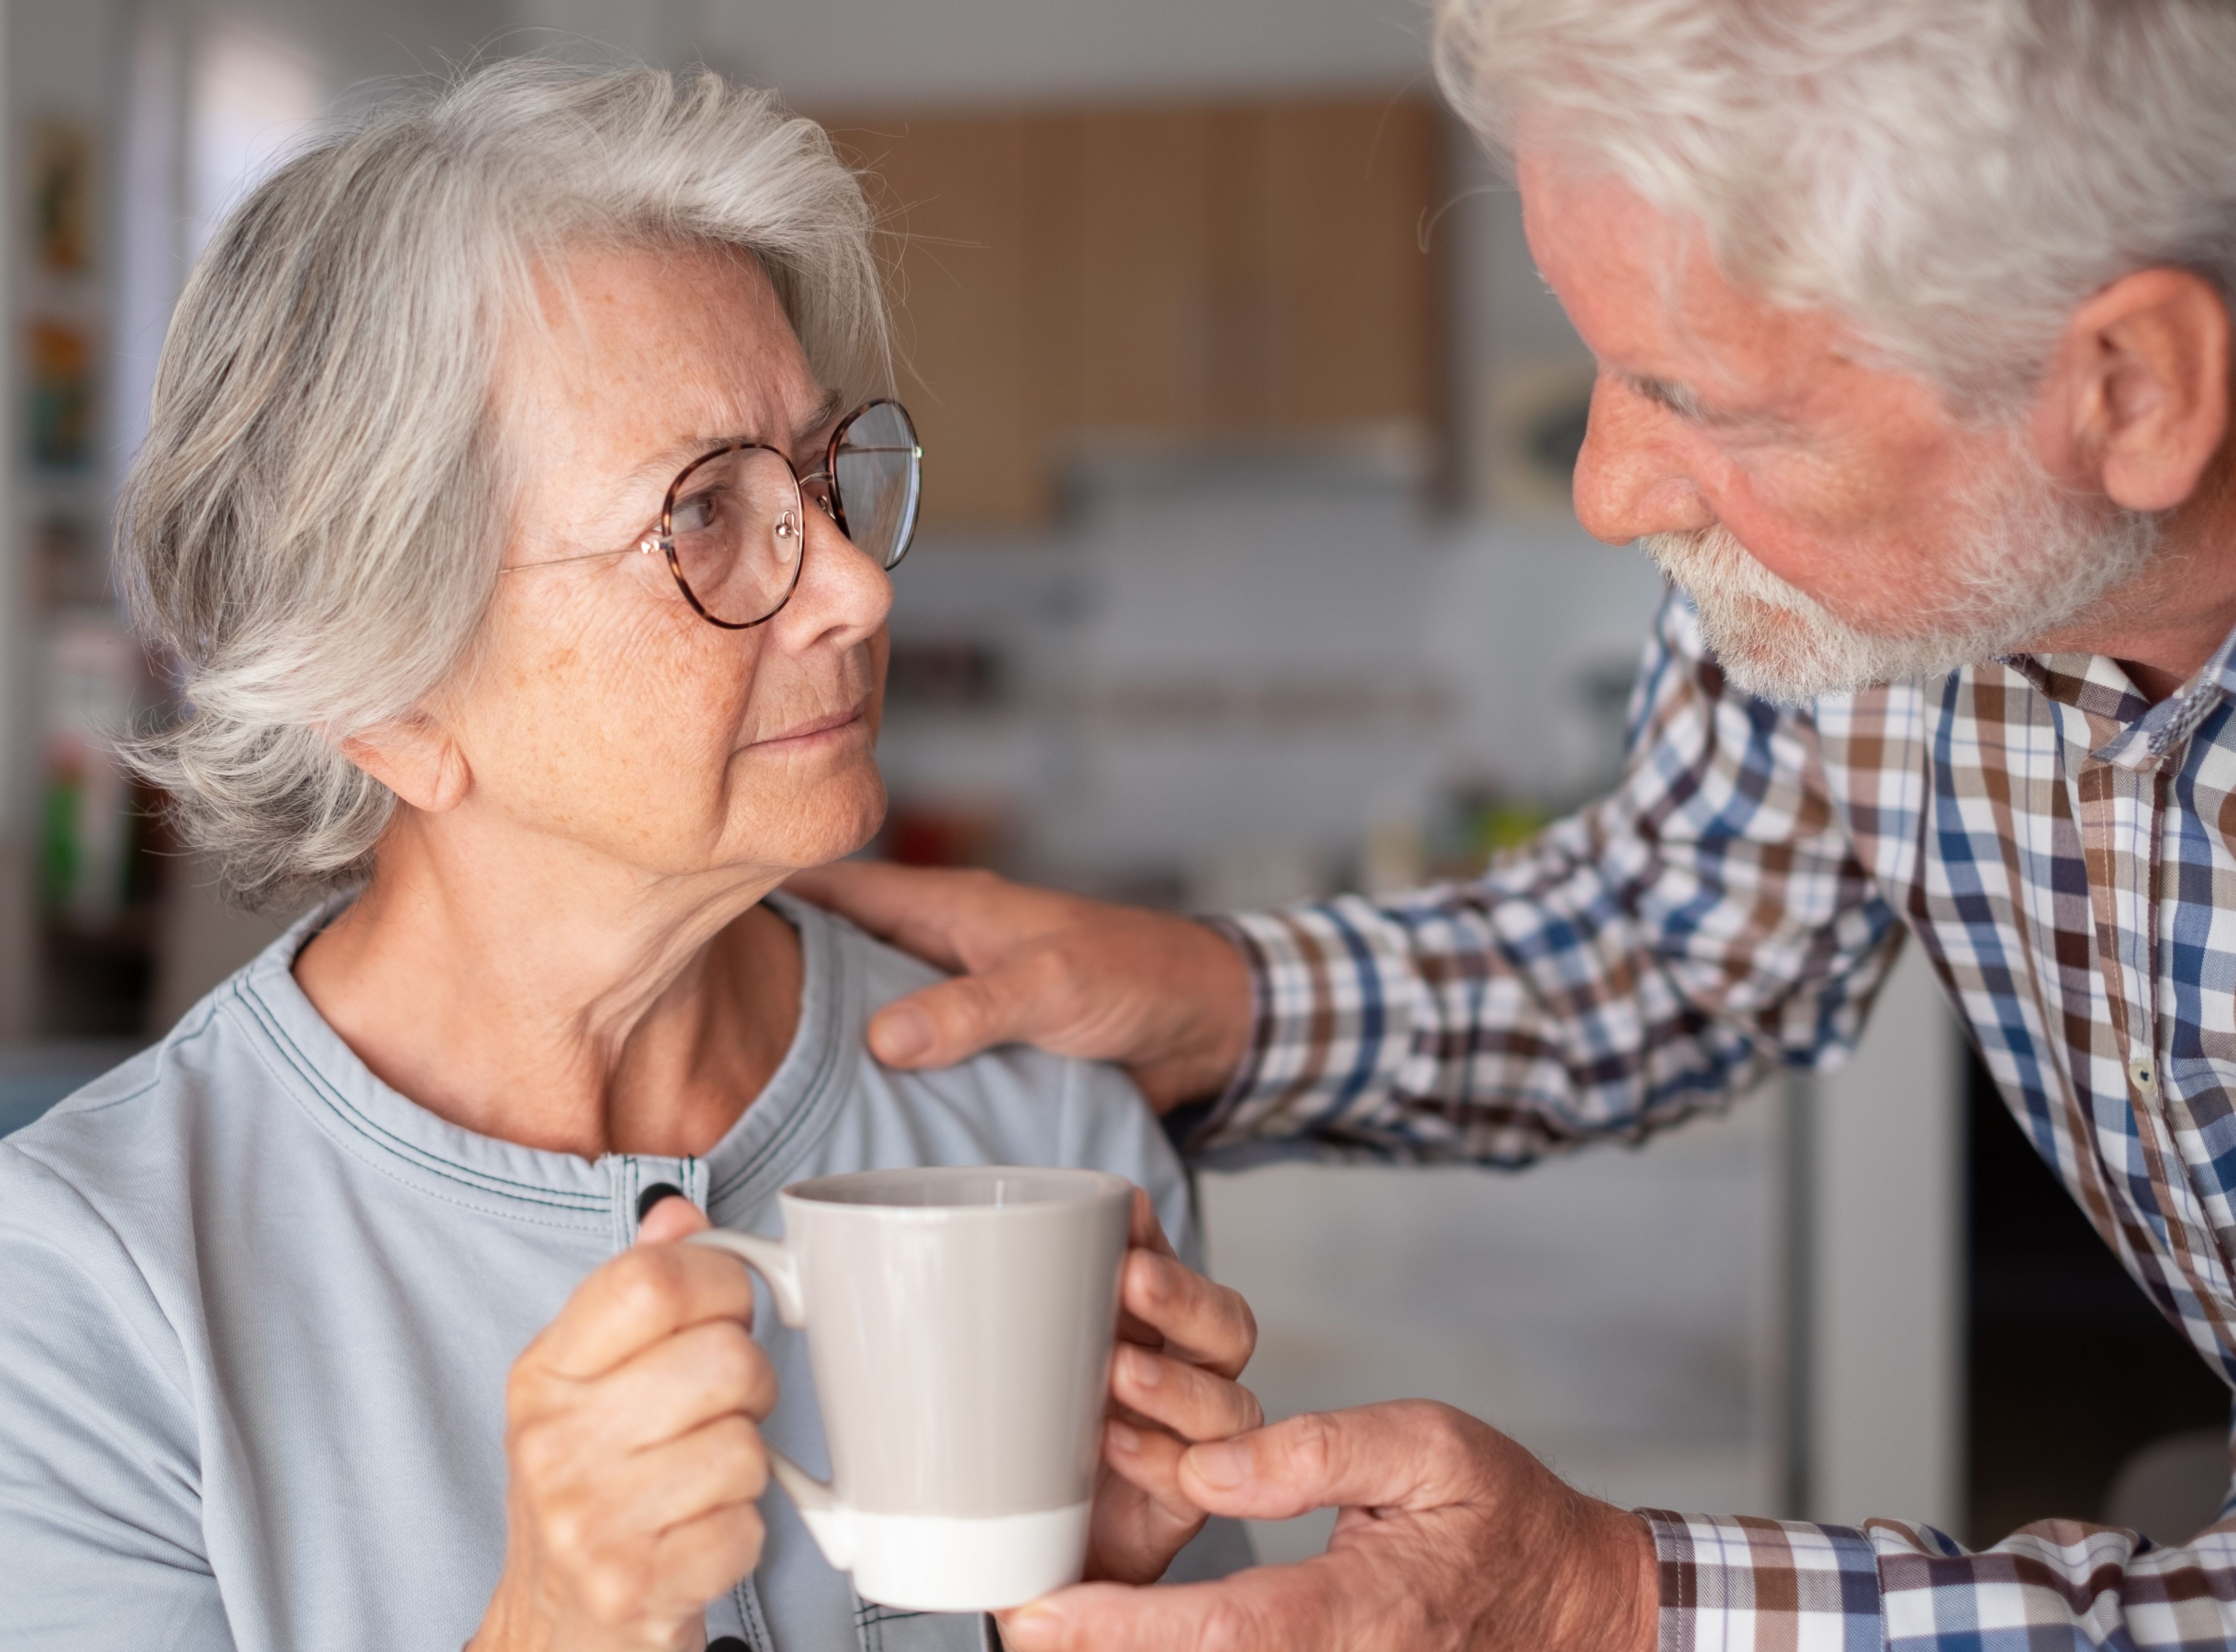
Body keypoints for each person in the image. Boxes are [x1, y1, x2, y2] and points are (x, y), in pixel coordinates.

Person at [792, 2, 2236, 1649]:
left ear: (2132, 389)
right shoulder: (1886, 595)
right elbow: (1680, 925)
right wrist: (1220, 1001)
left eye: (1698, 397)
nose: (1610, 492)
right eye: (1604, 361)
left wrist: (1608, 1602)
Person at [0, 63, 1259, 1652]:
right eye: (701, 516)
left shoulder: (1048, 1130)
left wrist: (1078, 1612)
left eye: (821, 480)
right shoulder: (97, 1284)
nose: (855, 594)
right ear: (392, 700)